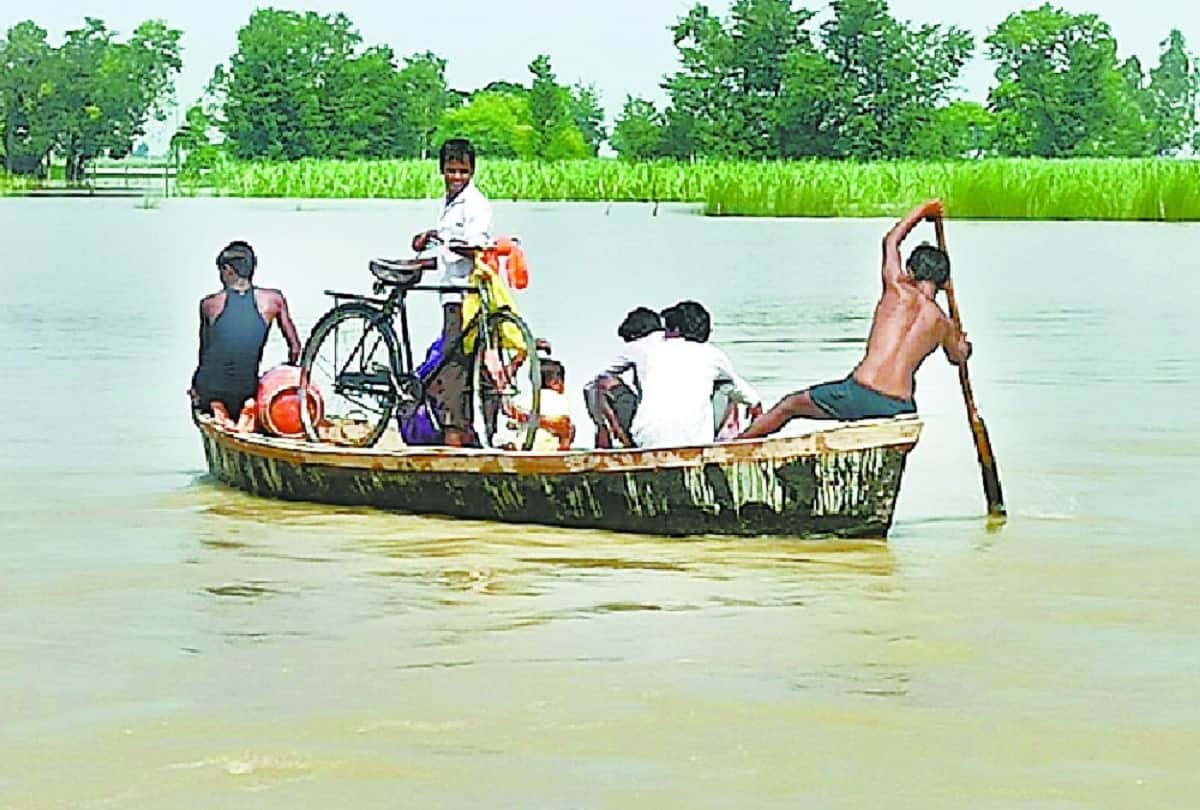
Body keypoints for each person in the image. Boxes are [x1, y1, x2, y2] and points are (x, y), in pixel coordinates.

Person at [738, 199, 971, 439]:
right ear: (943, 283)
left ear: (910, 271)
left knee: (790, 405)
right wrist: (963, 345)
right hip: (901, 407)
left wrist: (923, 210)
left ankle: (739, 444)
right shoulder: (943, 324)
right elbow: (958, 356)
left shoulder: (897, 288)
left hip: (861, 393)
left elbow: (891, 241)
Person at [590, 300, 762, 449]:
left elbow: (599, 379)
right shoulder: (712, 354)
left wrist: (602, 426)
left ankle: (626, 448)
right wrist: (755, 406)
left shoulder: (644, 346)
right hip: (698, 442)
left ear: (675, 329)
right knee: (726, 386)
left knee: (606, 383)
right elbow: (744, 392)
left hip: (647, 440)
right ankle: (726, 442)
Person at [410, 137, 493, 447]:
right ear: (441, 170)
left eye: (463, 171)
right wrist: (432, 239)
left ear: (472, 170)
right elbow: (449, 244)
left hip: (465, 294)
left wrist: (442, 246)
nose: (457, 177)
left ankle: (455, 431)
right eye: (451, 170)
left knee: (455, 361)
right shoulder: (449, 203)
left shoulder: (476, 205)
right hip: (449, 291)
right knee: (455, 358)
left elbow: (473, 245)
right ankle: (460, 427)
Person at [190, 240, 301, 430]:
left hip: (212, 386)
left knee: (205, 389)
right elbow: (295, 348)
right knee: (247, 389)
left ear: (227, 270)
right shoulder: (274, 300)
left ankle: (217, 406)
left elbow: (205, 353)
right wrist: (284, 374)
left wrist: (196, 390)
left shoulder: (210, 304)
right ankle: (247, 405)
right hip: (246, 387)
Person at [583, 306, 662, 448]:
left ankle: (615, 442)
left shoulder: (637, 346)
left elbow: (596, 380)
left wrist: (607, 423)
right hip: (694, 428)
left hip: (650, 426)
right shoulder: (681, 345)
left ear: (634, 335)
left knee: (600, 385)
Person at [500, 358, 575, 451]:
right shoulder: (558, 399)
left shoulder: (525, 400)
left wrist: (526, 418)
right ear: (556, 382)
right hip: (550, 451)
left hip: (525, 448)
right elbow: (563, 426)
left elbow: (511, 424)